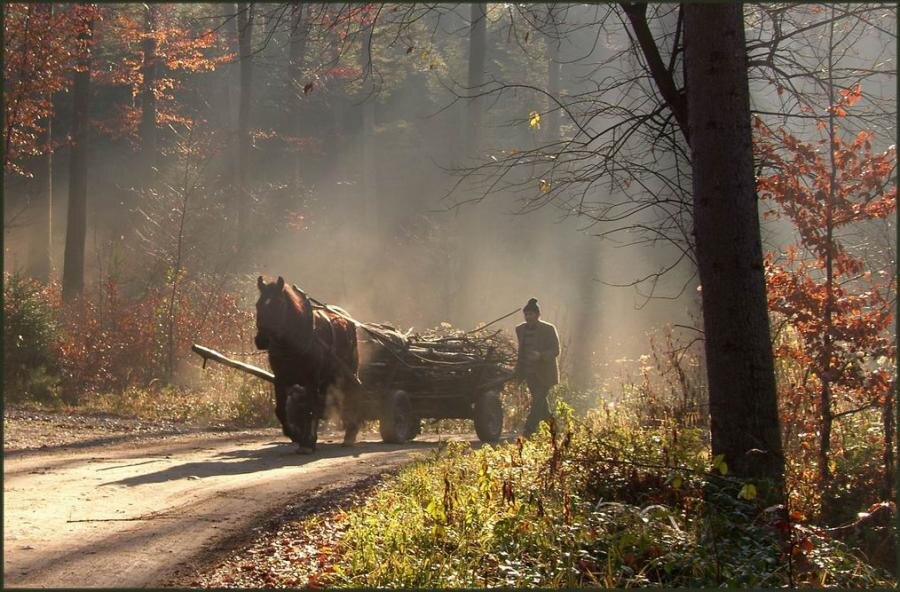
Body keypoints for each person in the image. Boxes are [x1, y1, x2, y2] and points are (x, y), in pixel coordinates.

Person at [514, 298, 560, 436]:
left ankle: (529, 430)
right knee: (541, 405)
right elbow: (520, 352)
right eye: (526, 314)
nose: (528, 317)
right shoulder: (520, 329)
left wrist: (540, 355)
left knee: (538, 400)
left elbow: (555, 350)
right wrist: (518, 371)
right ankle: (554, 430)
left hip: (545, 373)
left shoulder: (549, 329)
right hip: (529, 373)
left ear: (538, 315)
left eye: (531, 314)